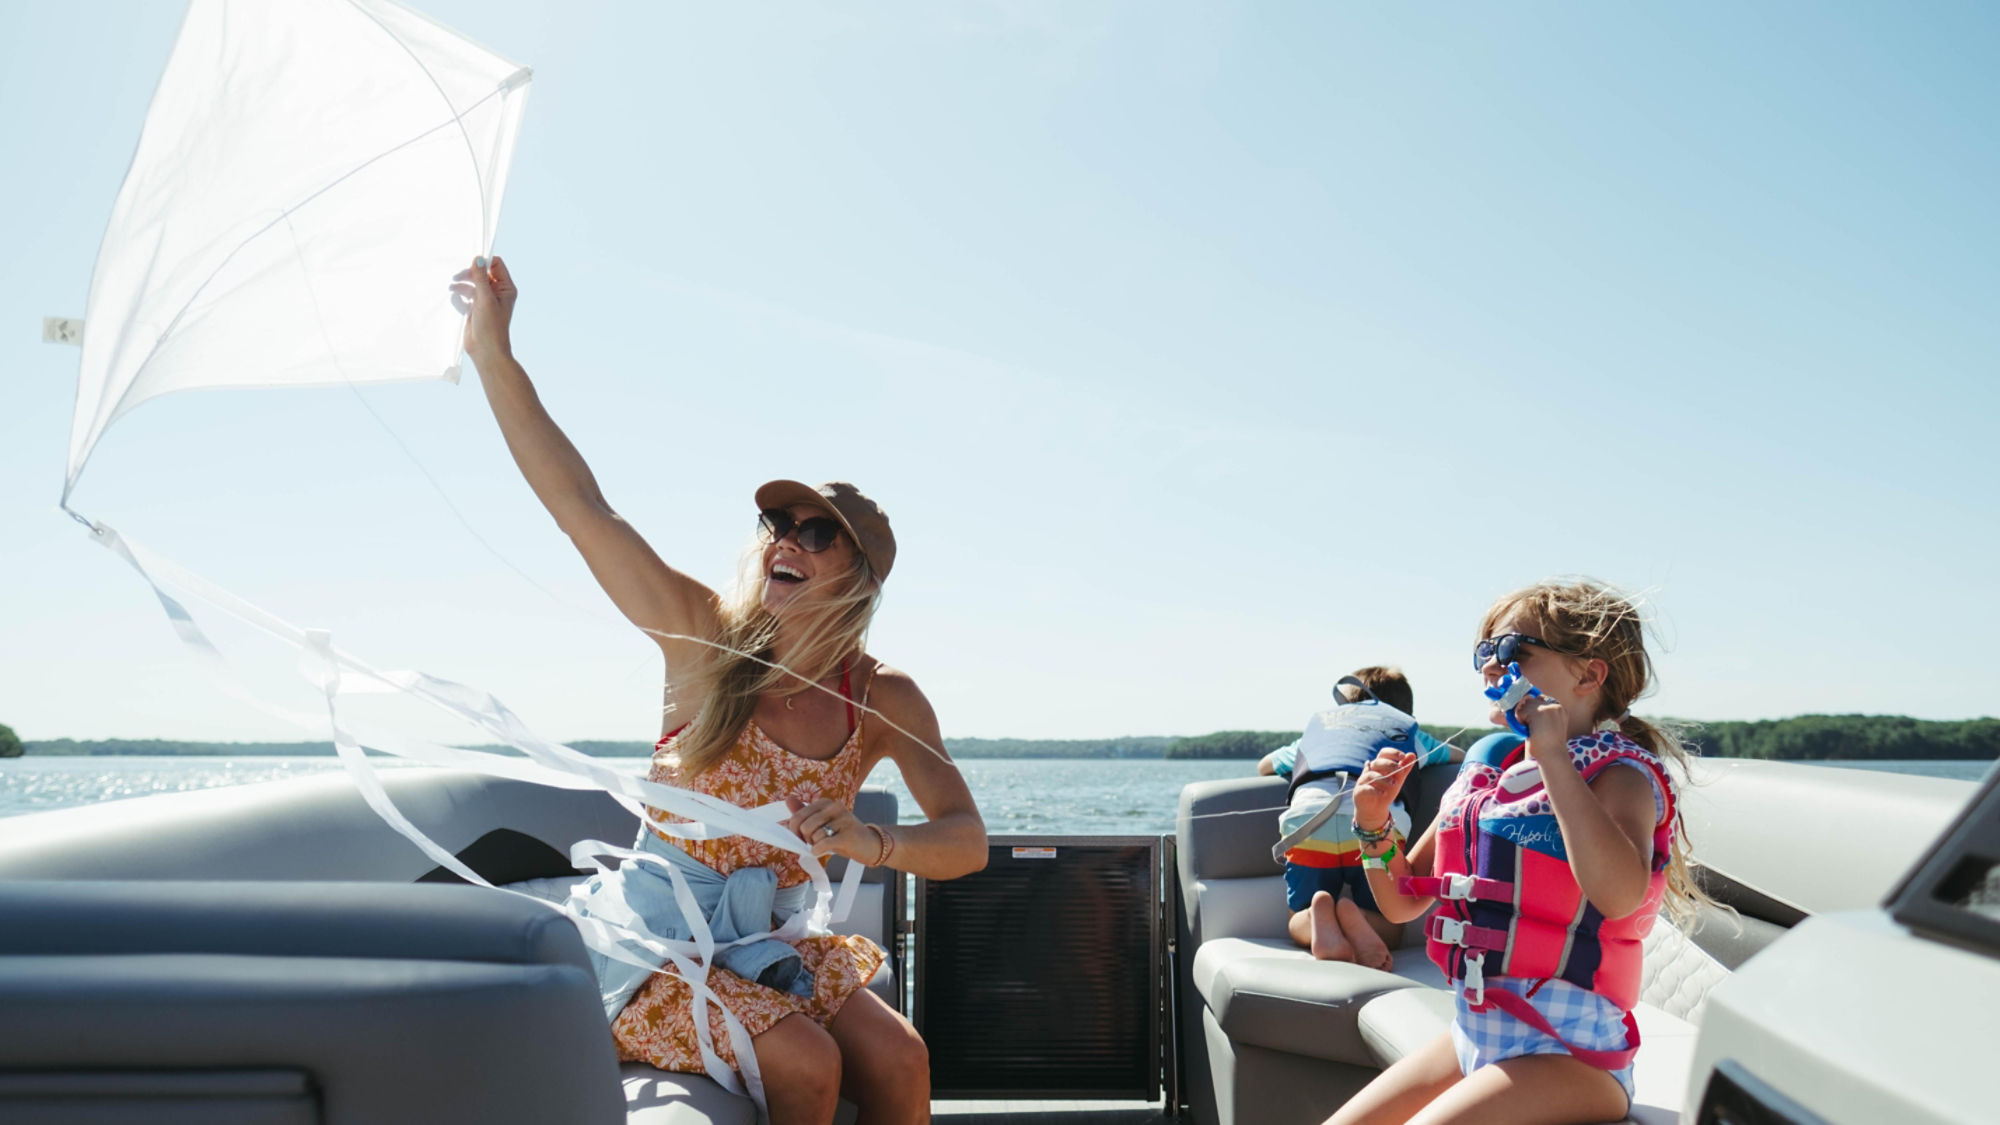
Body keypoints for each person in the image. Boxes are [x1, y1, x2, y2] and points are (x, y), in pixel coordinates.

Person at [455, 256, 988, 1125]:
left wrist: (873, 839)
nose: (789, 539)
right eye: (781, 523)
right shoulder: (701, 641)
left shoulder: (884, 700)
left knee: (902, 1055)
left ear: (860, 578)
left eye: (818, 533)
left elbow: (967, 842)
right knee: (809, 1061)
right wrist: (493, 352)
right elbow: (584, 508)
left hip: (768, 945)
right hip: (659, 948)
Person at [1328, 580, 1702, 1125]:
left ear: (1588, 674)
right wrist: (1373, 822)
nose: (1489, 668)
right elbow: (1402, 903)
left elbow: (1619, 896)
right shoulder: (1493, 776)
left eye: (1511, 652)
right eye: (1483, 653)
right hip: (1475, 1030)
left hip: (1574, 1055)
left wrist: (1554, 759)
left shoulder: (1621, 776)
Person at [1258, 667, 1459, 969]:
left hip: (1308, 822)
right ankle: (1359, 918)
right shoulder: (1408, 733)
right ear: (1404, 709)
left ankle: (1314, 916)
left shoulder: (1316, 734)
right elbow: (1458, 755)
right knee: (1390, 923)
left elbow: (1265, 766)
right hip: (1373, 826)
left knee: (1295, 916)